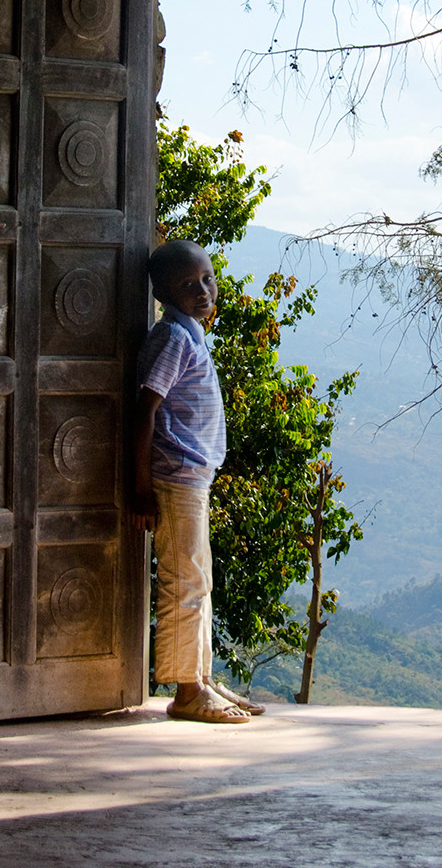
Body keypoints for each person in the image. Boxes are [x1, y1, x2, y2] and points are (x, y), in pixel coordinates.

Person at [132, 238, 266, 723]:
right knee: (184, 578)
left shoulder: (190, 335)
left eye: (207, 278)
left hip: (193, 477)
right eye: (188, 285)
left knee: (198, 578)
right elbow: (143, 412)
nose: (203, 290)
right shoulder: (171, 338)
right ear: (165, 292)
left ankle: (202, 678)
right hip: (175, 476)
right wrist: (141, 488)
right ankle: (187, 691)